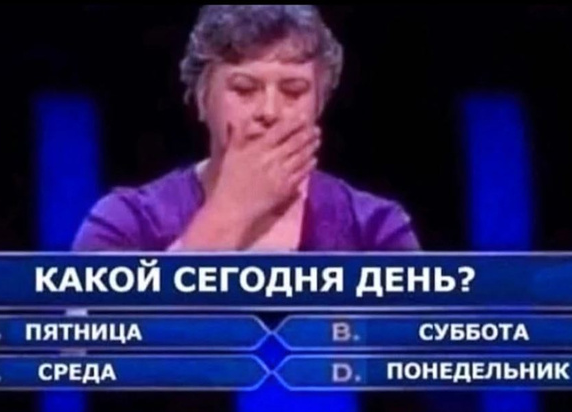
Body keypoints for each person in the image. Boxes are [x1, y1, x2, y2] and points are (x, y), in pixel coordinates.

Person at [73, 5, 420, 253]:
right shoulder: (126, 223)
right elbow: (105, 334)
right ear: (201, 99)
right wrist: (232, 210)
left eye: (293, 91)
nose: (269, 111)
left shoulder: (375, 230)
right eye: (244, 88)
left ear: (320, 103)